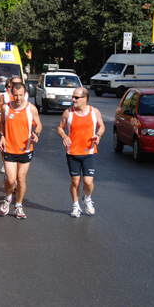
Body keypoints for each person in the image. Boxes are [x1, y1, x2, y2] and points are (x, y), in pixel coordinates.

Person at [56, 87, 105, 218]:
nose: (73, 100)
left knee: (88, 182)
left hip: (88, 152)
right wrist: (65, 136)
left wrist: (98, 136)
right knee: (75, 181)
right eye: (73, 97)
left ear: (85, 99)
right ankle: (75, 205)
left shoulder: (94, 112)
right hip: (72, 152)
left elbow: (101, 126)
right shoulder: (68, 113)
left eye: (76, 97)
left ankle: (87, 198)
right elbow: (60, 127)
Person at [0, 82, 42, 219]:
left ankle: (18, 206)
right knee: (11, 180)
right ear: (11, 94)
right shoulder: (6, 108)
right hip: (9, 148)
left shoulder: (31, 109)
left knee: (21, 180)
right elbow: (2, 123)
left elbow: (39, 124)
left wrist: (36, 134)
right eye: (15, 95)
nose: (18, 98)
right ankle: (7, 198)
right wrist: (2, 136)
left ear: (25, 94)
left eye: (21, 95)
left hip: (26, 149)